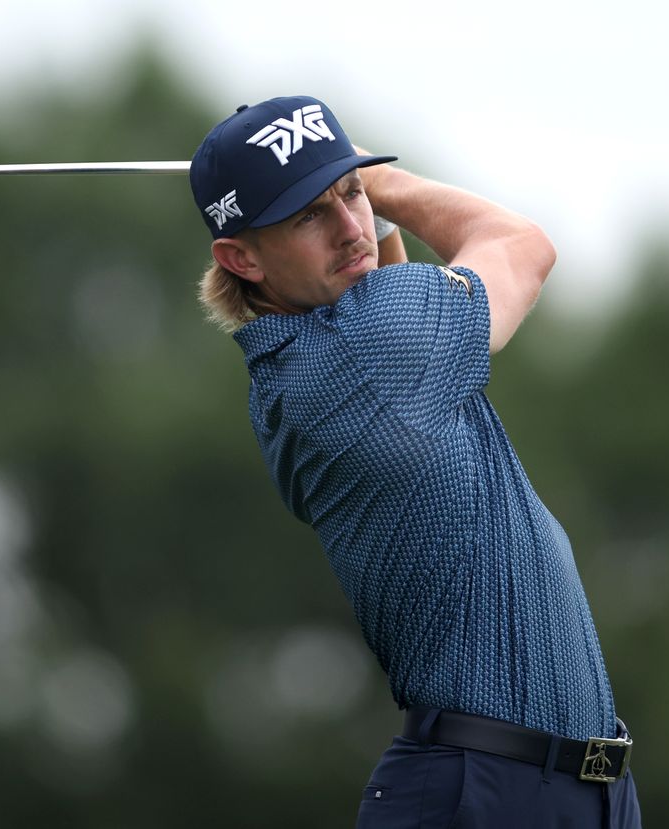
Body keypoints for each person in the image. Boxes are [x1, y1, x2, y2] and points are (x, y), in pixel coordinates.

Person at [189, 95, 643, 828]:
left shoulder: (298, 369)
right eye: (309, 214)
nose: (349, 227)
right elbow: (523, 246)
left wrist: (333, 188)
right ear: (241, 257)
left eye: (351, 194)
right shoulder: (373, 349)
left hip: (565, 789)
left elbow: (382, 283)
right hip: (489, 792)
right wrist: (378, 177)